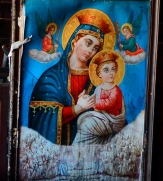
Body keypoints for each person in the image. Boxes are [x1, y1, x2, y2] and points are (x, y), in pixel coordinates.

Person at [27, 8, 114, 146]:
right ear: (74, 41)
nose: (91, 51)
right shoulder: (51, 78)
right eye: (88, 43)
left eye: (96, 48)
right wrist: (78, 108)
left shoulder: (97, 79)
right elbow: (42, 117)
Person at [74, 50, 126, 146]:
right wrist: (85, 98)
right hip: (102, 117)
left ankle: (76, 148)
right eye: (106, 70)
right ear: (99, 73)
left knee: (87, 125)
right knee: (81, 119)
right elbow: (94, 99)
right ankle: (83, 148)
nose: (111, 73)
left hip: (112, 121)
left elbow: (107, 103)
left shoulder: (116, 90)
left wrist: (92, 101)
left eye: (113, 69)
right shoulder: (99, 87)